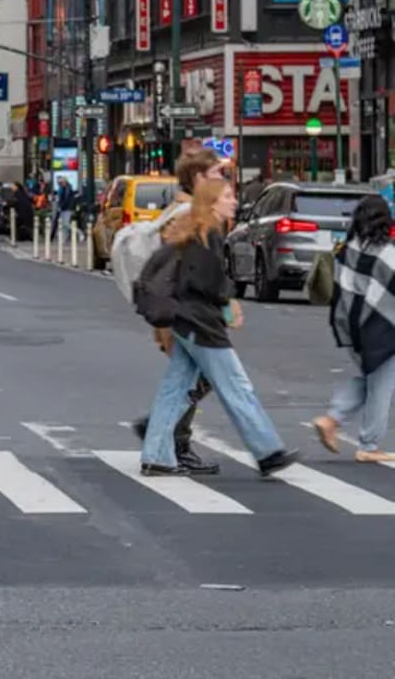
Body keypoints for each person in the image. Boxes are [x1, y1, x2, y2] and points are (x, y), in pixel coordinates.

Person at [139, 178, 299, 476]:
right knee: (236, 386)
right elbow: (205, 283)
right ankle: (267, 451)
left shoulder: (194, 231)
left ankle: (157, 455)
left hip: (184, 320)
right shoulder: (208, 233)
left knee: (176, 389)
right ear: (212, 202)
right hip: (202, 323)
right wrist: (227, 299)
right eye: (227, 196)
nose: (234, 201)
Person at [130, 149, 225, 474]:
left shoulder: (180, 208)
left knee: (192, 376)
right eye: (216, 175)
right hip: (182, 309)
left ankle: (166, 433)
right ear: (199, 178)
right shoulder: (188, 212)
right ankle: (173, 438)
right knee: (194, 377)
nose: (222, 182)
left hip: (176, 307)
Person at [313, 195, 395, 462]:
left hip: (351, 328)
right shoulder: (388, 253)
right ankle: (368, 446)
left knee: (372, 380)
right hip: (380, 330)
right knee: (381, 386)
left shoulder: (348, 249)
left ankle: (332, 418)